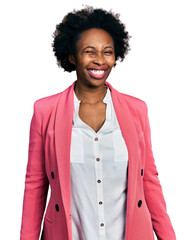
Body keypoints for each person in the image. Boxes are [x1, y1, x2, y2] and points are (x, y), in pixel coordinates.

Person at [20, 6, 176, 240]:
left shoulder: (137, 110)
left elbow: (149, 181)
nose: (100, 60)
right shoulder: (45, 111)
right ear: (72, 55)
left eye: (108, 52)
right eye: (89, 51)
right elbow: (35, 186)